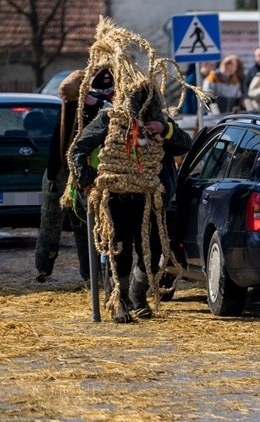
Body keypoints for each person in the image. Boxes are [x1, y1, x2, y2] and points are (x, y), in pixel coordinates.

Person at [71, 83, 193, 322]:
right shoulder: (110, 119)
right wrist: (87, 177)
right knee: (119, 249)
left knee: (153, 249)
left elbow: (185, 144)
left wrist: (165, 129)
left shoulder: (161, 122)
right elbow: (80, 146)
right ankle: (120, 299)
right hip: (117, 197)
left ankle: (138, 295)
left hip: (152, 198)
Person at [34, 68, 113, 283]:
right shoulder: (71, 108)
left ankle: (89, 273)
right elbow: (59, 147)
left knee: (82, 225)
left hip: (79, 174)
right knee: (53, 222)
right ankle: (45, 268)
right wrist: (54, 177)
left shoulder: (99, 107)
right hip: (62, 175)